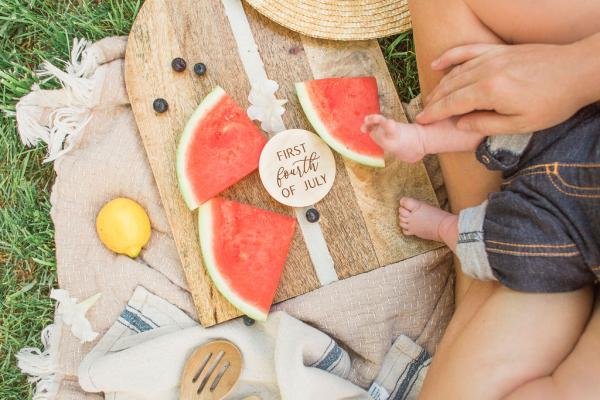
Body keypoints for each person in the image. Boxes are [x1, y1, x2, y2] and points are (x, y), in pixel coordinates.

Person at [364, 1, 600, 398]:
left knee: (507, 243)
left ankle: (473, 251)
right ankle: (476, 259)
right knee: (501, 125)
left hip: (564, 239)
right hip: (581, 137)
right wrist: (576, 70)